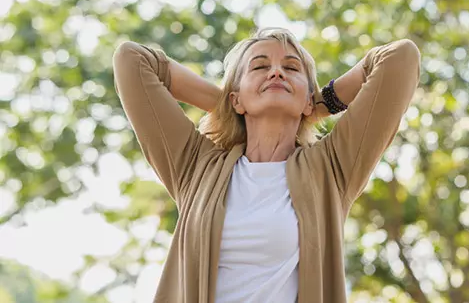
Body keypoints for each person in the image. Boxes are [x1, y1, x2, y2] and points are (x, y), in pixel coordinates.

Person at [112, 26, 421, 303]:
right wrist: (229, 106)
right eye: (260, 66)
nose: (276, 73)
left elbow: (400, 58)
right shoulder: (196, 166)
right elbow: (132, 60)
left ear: (307, 99)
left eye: (291, 68)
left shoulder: (332, 168)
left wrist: (319, 104)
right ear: (236, 99)